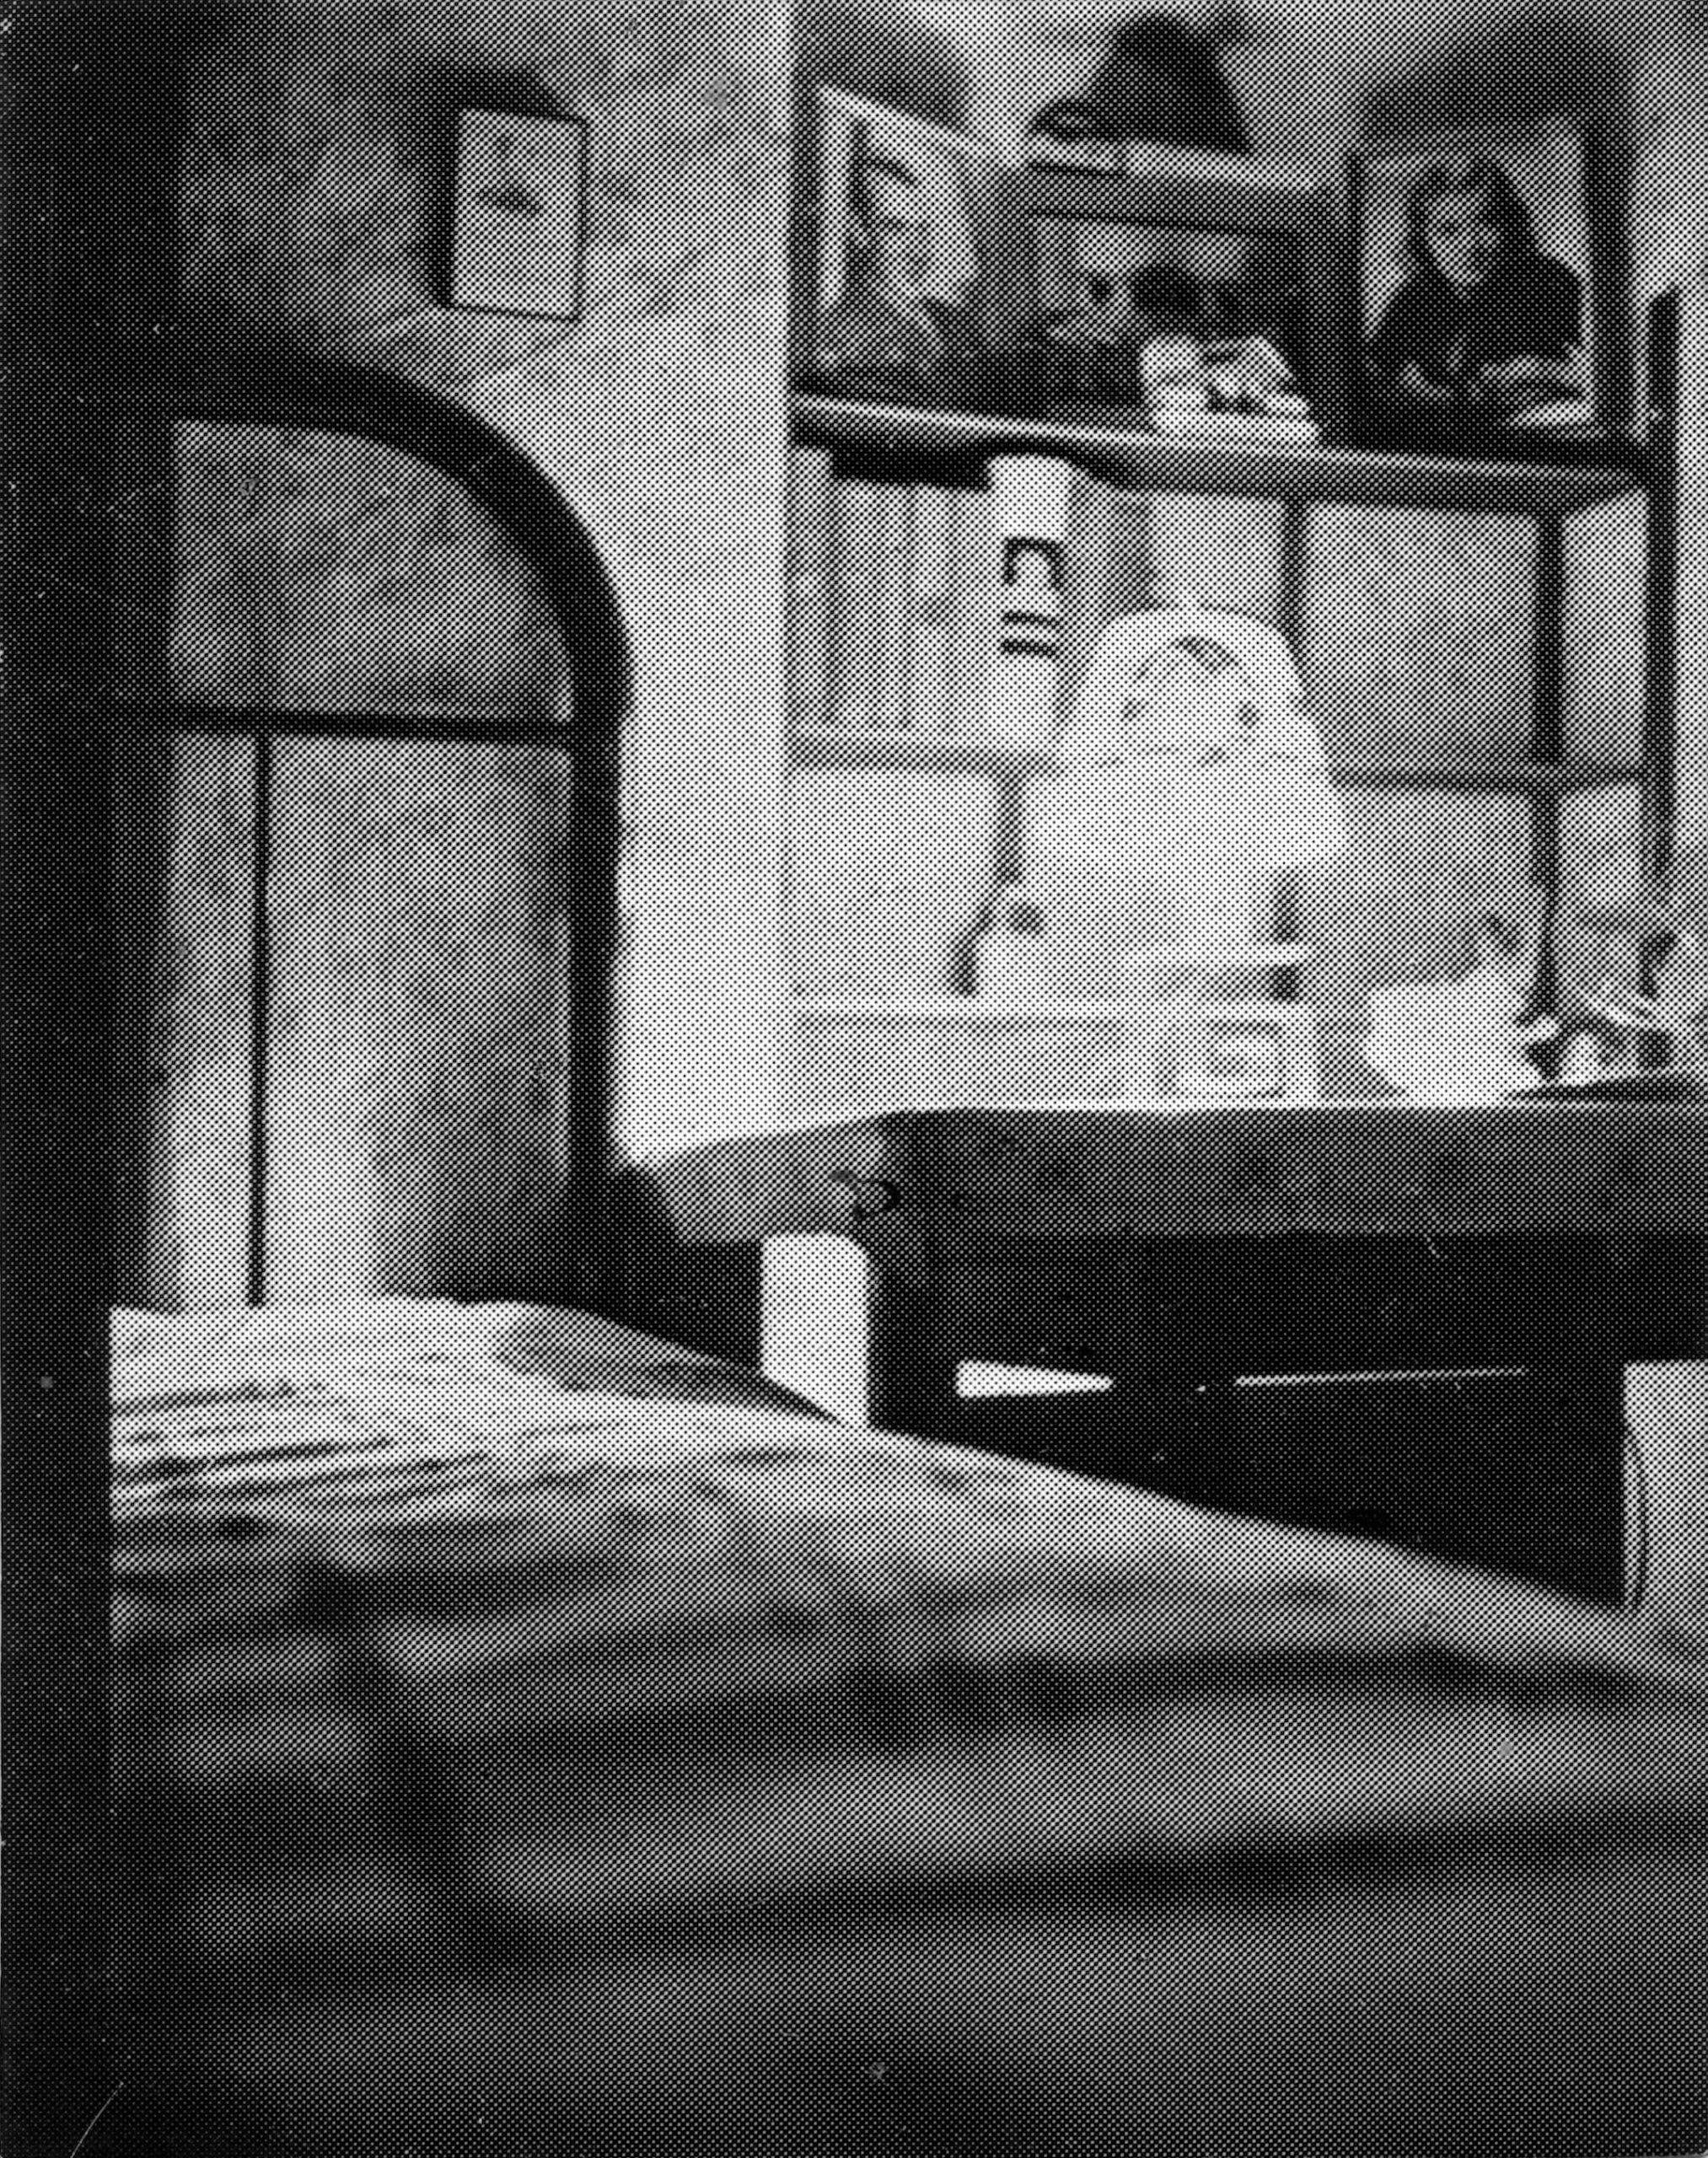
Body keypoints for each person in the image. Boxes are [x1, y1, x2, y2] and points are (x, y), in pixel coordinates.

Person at [1367, 156, 1587, 427]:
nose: (1470, 246)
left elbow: (1582, 381)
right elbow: (1376, 379)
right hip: (1433, 451)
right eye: (1448, 230)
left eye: (1486, 223)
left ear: (1511, 226)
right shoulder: (1415, 295)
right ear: (1422, 238)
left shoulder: (1550, 283)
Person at [810, 149, 980, 394]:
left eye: (921, 230)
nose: (917, 250)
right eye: (896, 229)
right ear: (860, 232)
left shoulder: (948, 318)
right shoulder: (839, 330)